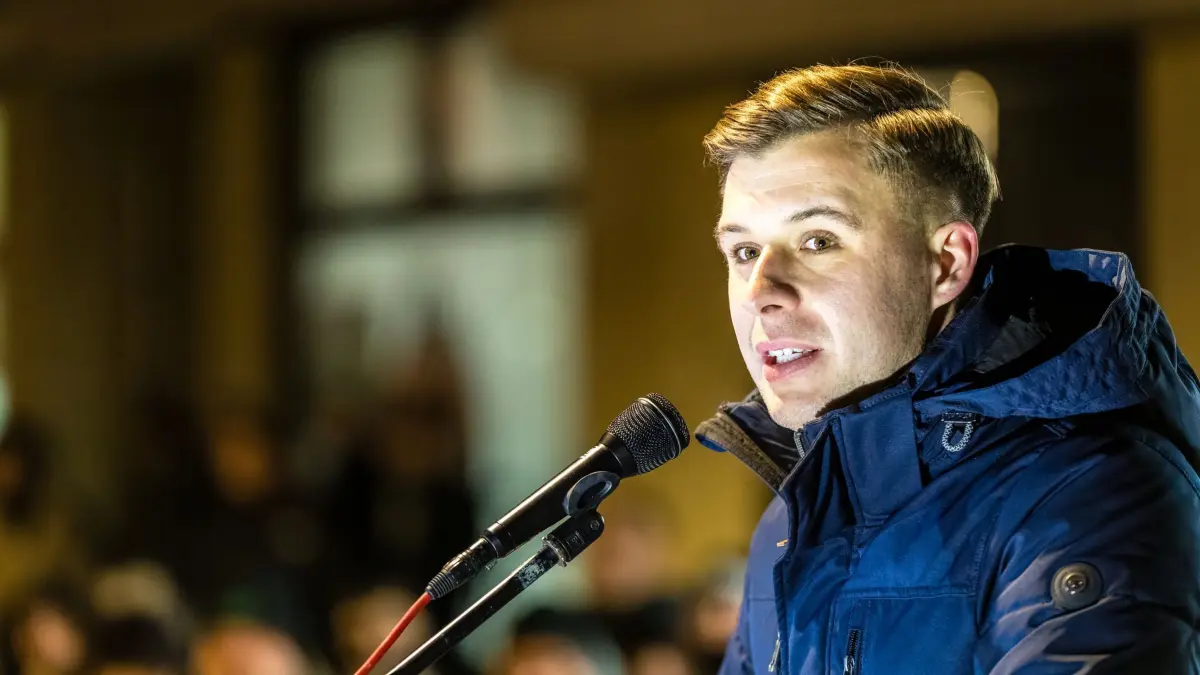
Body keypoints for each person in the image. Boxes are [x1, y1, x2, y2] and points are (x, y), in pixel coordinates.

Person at [694, 63, 1200, 674]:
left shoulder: (1088, 489)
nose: (760, 289)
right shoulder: (792, 518)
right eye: (744, 251)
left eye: (818, 240)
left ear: (945, 264)